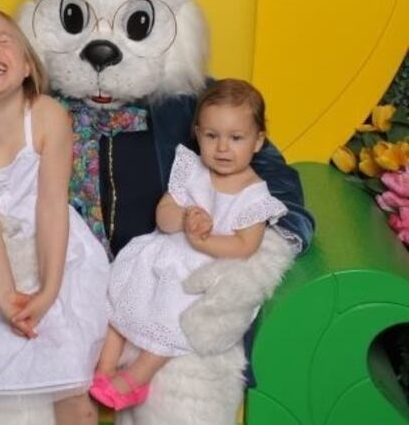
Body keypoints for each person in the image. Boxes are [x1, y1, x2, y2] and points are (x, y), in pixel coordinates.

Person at [0, 7, 109, 425]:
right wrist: (3, 295)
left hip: (53, 251)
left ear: (27, 65)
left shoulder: (47, 115)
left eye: (2, 40)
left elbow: (50, 207)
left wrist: (47, 291)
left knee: (72, 394)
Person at [89, 79, 287, 411]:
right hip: (164, 250)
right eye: (212, 136)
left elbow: (245, 246)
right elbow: (163, 213)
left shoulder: (255, 194)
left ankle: (137, 377)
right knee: (119, 297)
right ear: (197, 133)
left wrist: (205, 240)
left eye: (236, 138)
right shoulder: (190, 169)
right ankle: (104, 368)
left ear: (257, 142)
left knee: (172, 316)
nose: (222, 148)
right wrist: (182, 219)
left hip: (201, 268)